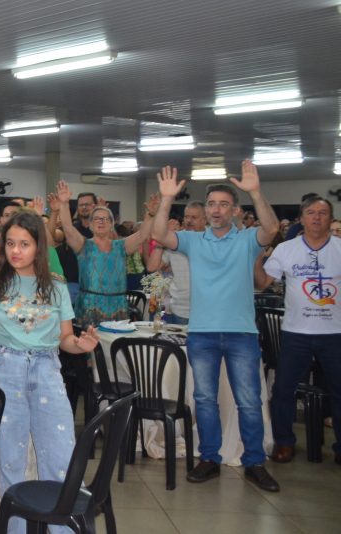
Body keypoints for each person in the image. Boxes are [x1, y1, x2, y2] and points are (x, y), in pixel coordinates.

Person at [0, 211, 99, 534]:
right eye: (10, 243)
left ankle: (63, 530)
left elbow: (65, 340)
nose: (16, 251)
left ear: (39, 247)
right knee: (9, 461)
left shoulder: (57, 287)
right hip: (5, 370)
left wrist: (80, 343)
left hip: (47, 369)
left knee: (60, 456)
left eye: (24, 244)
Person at [152, 161, 280, 492]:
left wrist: (255, 191)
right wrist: (167, 199)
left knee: (249, 401)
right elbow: (159, 235)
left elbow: (271, 228)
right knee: (204, 399)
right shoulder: (194, 241)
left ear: (235, 210)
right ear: (206, 210)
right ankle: (209, 458)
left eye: (224, 204)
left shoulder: (249, 239)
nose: (217, 209)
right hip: (202, 333)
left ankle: (254, 462)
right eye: (211, 204)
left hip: (241, 334)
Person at [254, 195, 341, 465]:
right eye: (311, 212)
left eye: (323, 213)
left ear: (330, 218)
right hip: (295, 333)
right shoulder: (286, 250)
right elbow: (264, 283)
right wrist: (256, 260)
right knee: (283, 390)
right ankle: (284, 442)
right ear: (301, 219)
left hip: (334, 334)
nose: (317, 217)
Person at [54, 182, 157, 326]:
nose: (101, 222)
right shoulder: (83, 245)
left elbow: (142, 235)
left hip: (118, 309)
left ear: (111, 224)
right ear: (90, 224)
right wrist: (64, 204)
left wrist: (151, 215)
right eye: (96, 219)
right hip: (89, 309)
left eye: (105, 219)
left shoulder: (121, 246)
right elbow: (68, 228)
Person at [145, 202, 206, 325]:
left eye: (194, 217)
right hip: (180, 309)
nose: (189, 221)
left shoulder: (213, 239)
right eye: (186, 217)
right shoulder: (175, 239)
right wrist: (162, 239)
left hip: (206, 310)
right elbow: (152, 267)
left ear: (205, 219)